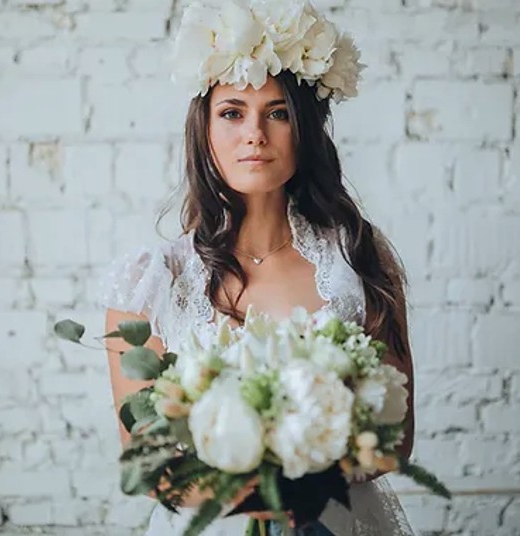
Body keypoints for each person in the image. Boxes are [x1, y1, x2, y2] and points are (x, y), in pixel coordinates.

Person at [100, 1, 416, 534]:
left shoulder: (357, 259)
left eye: (277, 112)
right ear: (204, 128)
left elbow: (398, 439)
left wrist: (301, 474)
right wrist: (256, 496)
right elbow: (146, 459)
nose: (254, 134)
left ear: (306, 128)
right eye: (232, 112)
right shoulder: (148, 282)